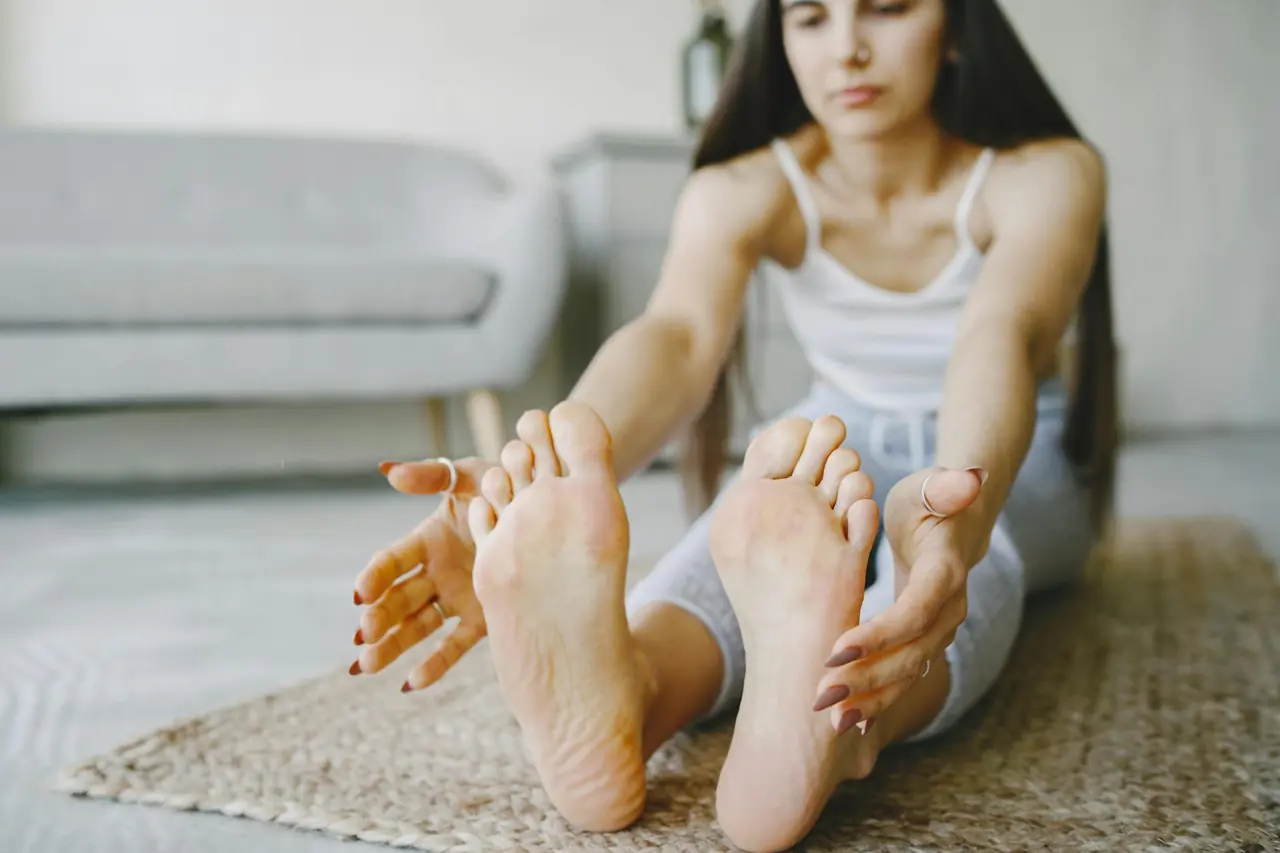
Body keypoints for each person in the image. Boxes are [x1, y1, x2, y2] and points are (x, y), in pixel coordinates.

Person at [347, 0, 1117, 850]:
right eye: (811, 18)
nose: (848, 50)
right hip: (835, 431)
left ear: (960, 26)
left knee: (960, 561)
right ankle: (634, 691)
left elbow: (997, 335)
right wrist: (545, 472)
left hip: (1002, 450)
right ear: (778, 37)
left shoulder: (1047, 172)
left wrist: (955, 522)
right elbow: (677, 340)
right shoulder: (747, 186)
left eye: (888, 8)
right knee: (754, 519)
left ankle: (849, 726)